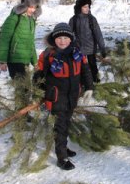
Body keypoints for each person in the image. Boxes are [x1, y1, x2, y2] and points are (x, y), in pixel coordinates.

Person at [34, 22, 94, 170]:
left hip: (72, 97)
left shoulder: (77, 53)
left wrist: (89, 87)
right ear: (54, 39)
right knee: (60, 127)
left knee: (66, 124)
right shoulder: (48, 55)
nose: (62, 41)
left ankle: (64, 148)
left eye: (65, 38)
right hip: (56, 98)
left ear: (70, 39)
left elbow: (85, 70)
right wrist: (39, 93)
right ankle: (62, 158)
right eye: (59, 38)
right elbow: (38, 76)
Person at [0, 0, 42, 108]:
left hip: (25, 60)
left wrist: (35, 62)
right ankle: (21, 116)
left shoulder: (31, 20)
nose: (33, 10)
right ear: (24, 5)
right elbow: (4, 39)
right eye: (30, 7)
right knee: (21, 89)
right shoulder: (14, 18)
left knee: (27, 88)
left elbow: (30, 43)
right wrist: (2, 60)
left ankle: (23, 113)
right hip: (14, 59)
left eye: (35, 7)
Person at [69, 0, 106, 83]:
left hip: (91, 49)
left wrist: (102, 48)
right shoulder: (73, 20)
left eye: (88, 6)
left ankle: (96, 81)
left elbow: (98, 34)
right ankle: (82, 83)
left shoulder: (91, 19)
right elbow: (69, 34)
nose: (87, 9)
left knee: (93, 66)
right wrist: (73, 44)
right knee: (81, 67)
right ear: (79, 8)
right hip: (79, 49)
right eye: (85, 7)